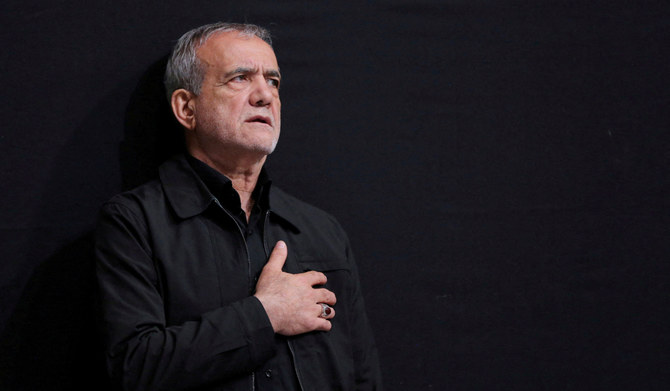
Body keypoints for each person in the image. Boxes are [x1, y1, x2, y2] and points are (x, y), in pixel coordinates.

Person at [95, 22, 382, 390]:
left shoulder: (322, 230)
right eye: (240, 78)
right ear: (186, 108)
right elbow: (135, 368)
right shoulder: (134, 222)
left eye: (273, 81)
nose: (265, 95)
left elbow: (363, 376)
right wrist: (267, 314)